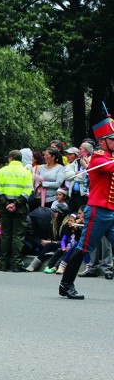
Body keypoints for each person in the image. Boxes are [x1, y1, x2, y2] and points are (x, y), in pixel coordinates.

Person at [59, 118, 114, 299]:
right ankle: (66, 284)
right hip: (98, 210)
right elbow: (110, 168)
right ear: (103, 141)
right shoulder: (98, 157)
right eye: (112, 139)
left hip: (111, 210)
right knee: (83, 247)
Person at [0, 150, 34, 272]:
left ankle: (3, 263)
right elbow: (27, 191)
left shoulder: (2, 171)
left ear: (10, 158)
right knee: (18, 236)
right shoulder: (26, 172)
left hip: (5, 207)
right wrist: (16, 204)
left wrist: (6, 204)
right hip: (20, 208)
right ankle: (16, 264)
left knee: (5, 234)